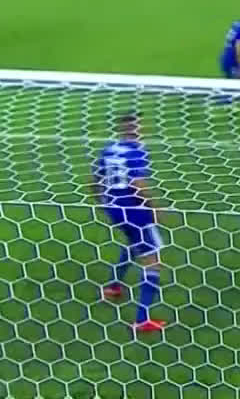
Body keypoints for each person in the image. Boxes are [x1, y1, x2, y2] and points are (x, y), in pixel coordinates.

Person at [94, 113, 167, 334]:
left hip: (113, 208)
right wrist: (154, 208)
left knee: (134, 244)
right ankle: (142, 320)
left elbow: (95, 180)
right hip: (135, 210)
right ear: (136, 129)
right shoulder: (137, 151)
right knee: (153, 260)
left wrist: (103, 202)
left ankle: (113, 286)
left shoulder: (108, 149)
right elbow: (137, 184)